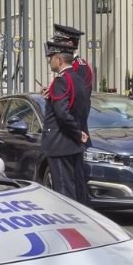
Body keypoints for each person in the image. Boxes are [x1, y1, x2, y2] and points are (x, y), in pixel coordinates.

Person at [39, 42, 89, 204]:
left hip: (60, 144)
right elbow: (78, 108)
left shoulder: (61, 80)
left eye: (51, 58)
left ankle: (70, 226)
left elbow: (63, 114)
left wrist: (76, 132)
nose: (49, 61)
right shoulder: (77, 78)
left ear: (59, 59)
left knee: (64, 192)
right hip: (73, 144)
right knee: (76, 188)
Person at [50, 24, 93, 149]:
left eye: (59, 43)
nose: (56, 47)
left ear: (69, 44)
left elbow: (80, 102)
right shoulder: (68, 65)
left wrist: (76, 129)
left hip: (75, 131)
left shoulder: (81, 67)